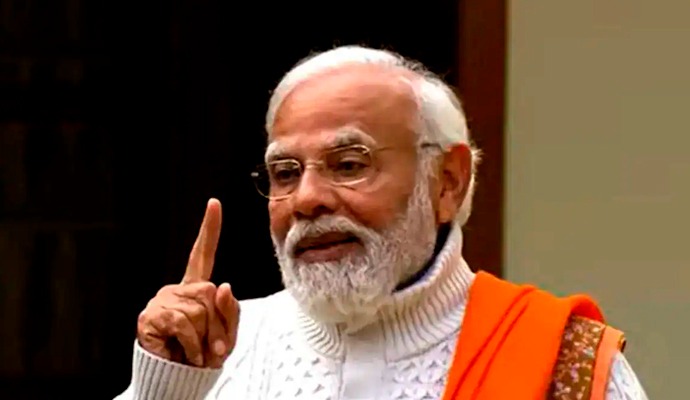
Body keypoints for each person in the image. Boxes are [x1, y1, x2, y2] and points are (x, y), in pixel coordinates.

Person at [115, 46, 648, 400]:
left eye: (349, 165)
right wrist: (164, 388)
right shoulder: (213, 359)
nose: (307, 200)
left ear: (447, 181)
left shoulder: (562, 362)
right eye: (286, 172)